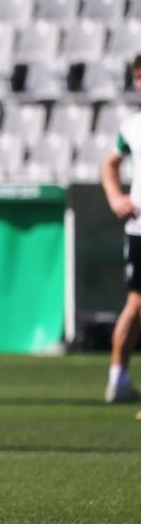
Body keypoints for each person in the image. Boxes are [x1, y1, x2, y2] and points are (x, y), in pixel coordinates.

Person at [99, 54, 141, 405]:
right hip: (140, 228)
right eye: (139, 78)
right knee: (135, 304)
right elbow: (110, 164)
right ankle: (118, 379)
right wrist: (115, 197)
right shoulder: (133, 125)